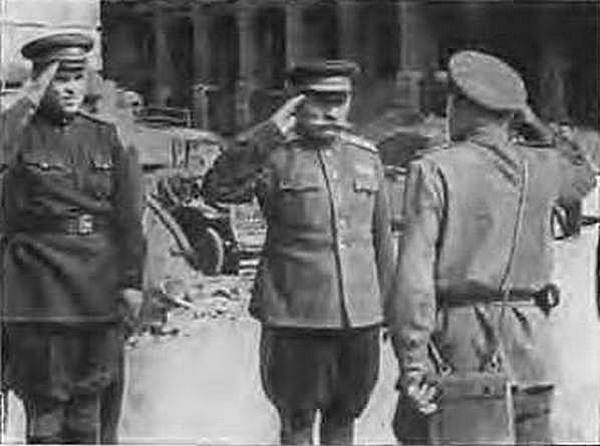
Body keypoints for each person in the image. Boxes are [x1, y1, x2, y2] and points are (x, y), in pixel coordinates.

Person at [387, 50, 596, 444]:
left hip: (458, 352)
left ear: (461, 106)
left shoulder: (434, 169)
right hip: (531, 352)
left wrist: (413, 362)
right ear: (512, 114)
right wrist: (538, 127)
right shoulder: (543, 167)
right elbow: (584, 177)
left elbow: (415, 277)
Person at [202, 60, 394, 445]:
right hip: (295, 318)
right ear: (296, 103)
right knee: (297, 422)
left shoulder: (365, 156)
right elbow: (217, 188)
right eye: (319, 101)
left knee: (345, 418)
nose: (331, 112)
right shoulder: (275, 156)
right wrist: (268, 133)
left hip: (358, 319)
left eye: (340, 101)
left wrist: (389, 308)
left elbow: (381, 241)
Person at [0, 33, 146, 444]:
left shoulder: (106, 137)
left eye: (77, 77)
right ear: (39, 83)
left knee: (89, 407)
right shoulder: (18, 135)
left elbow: (128, 219)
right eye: (58, 79)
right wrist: (27, 99)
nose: (69, 88)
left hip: (97, 288)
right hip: (39, 292)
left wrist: (132, 283)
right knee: (45, 410)